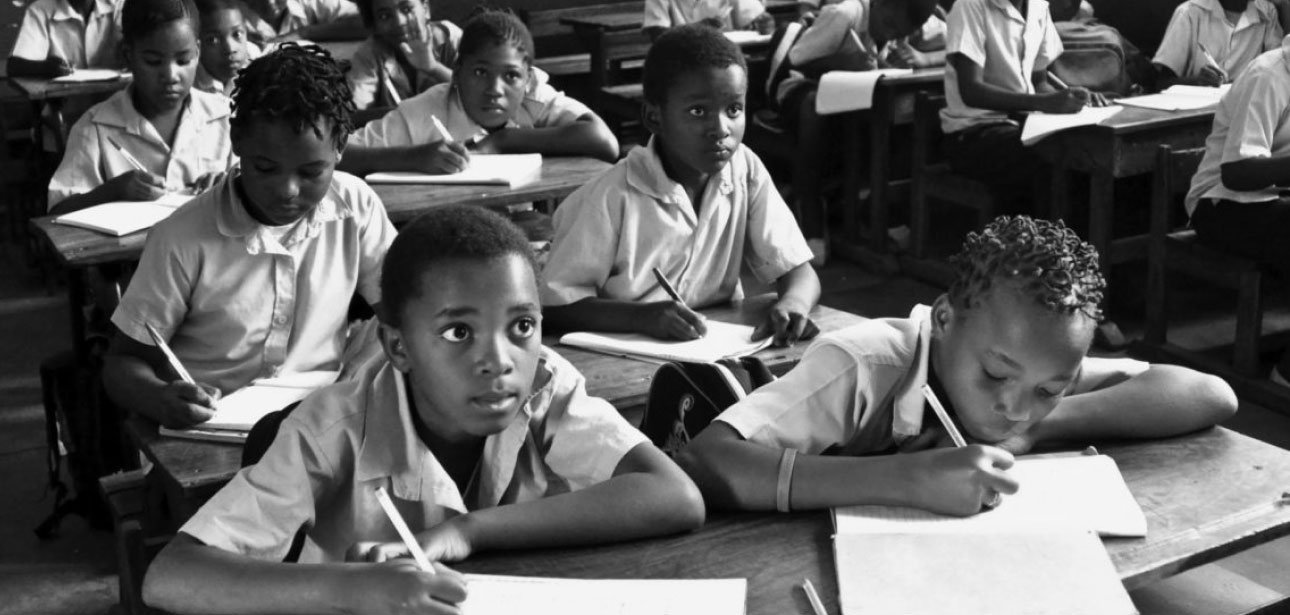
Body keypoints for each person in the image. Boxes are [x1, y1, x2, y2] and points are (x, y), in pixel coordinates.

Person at [140, 205, 707, 615]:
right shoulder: (330, 429)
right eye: (459, 332)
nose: (499, 361)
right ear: (398, 347)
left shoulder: (545, 387)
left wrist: (468, 531)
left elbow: (673, 496)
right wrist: (355, 589)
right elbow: (171, 575)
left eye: (522, 326)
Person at [677, 216, 1238, 515]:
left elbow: (1210, 394)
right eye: (995, 376)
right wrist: (908, 479)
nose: (1014, 405)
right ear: (944, 319)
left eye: (1048, 391)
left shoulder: (1031, 366)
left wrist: (1035, 429)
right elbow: (707, 460)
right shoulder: (865, 364)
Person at [102, 44, 396, 429]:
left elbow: (401, 313)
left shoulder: (356, 205)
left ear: (340, 147)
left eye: (311, 172)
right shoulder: (181, 238)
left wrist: (361, 370)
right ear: (237, 139)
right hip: (215, 427)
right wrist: (160, 398)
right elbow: (121, 365)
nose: (287, 190)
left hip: (322, 419)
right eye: (265, 168)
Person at [541, 24, 820, 347]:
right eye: (698, 111)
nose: (721, 129)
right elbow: (555, 305)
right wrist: (641, 317)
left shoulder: (745, 169)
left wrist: (793, 304)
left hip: (717, 346)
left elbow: (799, 272)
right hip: (623, 352)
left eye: (734, 109)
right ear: (653, 117)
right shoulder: (608, 198)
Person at [340, 9, 619, 176]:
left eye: (511, 76)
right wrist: (413, 157)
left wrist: (502, 141)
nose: (495, 90)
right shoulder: (425, 111)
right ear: (457, 72)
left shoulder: (533, 97)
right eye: (480, 73)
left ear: (527, 79)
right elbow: (337, 154)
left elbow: (604, 141)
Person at [776, 0, 946, 262]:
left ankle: (874, 210)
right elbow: (796, 59)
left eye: (901, 33)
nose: (891, 34)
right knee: (813, 107)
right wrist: (842, 61)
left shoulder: (914, 16)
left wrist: (924, 57)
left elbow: (958, 44)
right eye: (889, 25)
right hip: (802, 91)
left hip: (857, 97)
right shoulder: (844, 14)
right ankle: (810, 209)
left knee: (906, 111)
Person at [48, 0, 234, 215]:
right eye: (153, 62)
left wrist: (233, 186)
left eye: (183, 60)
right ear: (128, 56)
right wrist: (112, 191)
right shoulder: (94, 128)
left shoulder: (226, 116)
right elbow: (57, 212)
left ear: (197, 52)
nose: (171, 76)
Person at [1186, 35, 1290, 386]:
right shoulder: (1270, 74)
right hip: (1222, 205)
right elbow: (1237, 173)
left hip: (1274, 201)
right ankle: (1286, 375)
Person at [939, 0, 1101, 210]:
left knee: (1080, 154)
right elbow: (971, 91)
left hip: (1023, 126)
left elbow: (1039, 82)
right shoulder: (970, 6)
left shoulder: (1038, 7)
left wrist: (1073, 100)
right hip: (973, 134)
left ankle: (1064, 230)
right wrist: (1044, 103)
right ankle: (1034, 230)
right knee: (1048, 161)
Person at [346, 0, 460, 113]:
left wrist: (434, 68)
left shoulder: (450, 38)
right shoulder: (369, 55)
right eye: (385, 16)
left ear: (425, 9)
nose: (399, 22)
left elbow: (470, 93)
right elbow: (352, 113)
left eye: (406, 9)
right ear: (374, 26)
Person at [1153, 0, 1282, 88]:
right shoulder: (1189, 13)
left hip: (1244, 107)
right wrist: (1197, 81)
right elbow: (1160, 83)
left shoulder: (1267, 13)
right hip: (1197, 111)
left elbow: (1279, 71)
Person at [7, 0, 124, 77]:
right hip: (63, 103)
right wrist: (44, 68)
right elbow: (14, 66)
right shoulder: (41, 9)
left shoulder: (118, 6)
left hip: (115, 102)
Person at [193, 0, 261, 97]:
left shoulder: (254, 58)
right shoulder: (190, 85)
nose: (230, 49)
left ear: (246, 30)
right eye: (213, 40)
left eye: (237, 34)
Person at [642, 0, 774, 42]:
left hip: (727, 61)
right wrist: (698, 30)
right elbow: (658, 36)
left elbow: (760, 18)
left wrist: (765, 23)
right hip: (681, 64)